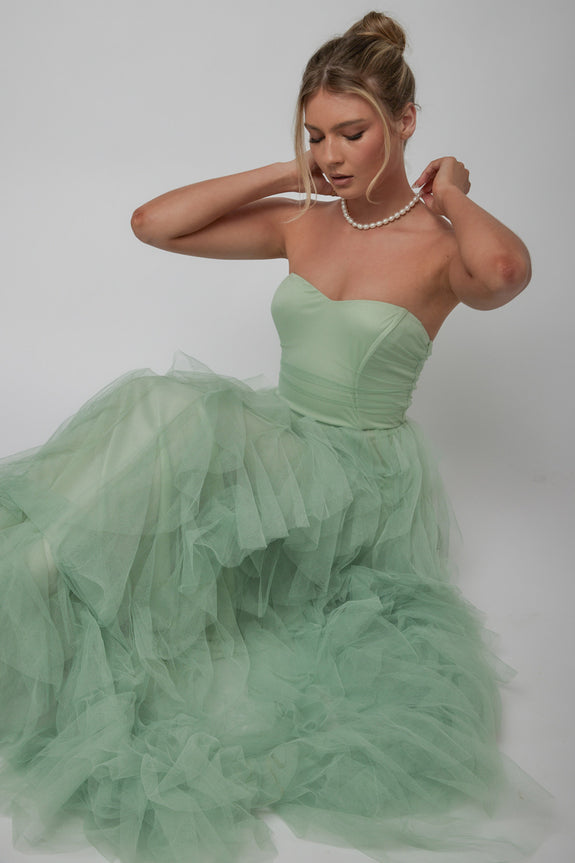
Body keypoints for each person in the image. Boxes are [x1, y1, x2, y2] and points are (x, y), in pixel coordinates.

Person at [0, 11, 551, 863]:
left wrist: (450, 193)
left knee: (180, 414)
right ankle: (46, 578)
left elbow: (506, 272)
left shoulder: (441, 248)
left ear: (404, 121)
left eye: (352, 133)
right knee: (168, 423)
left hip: (354, 476)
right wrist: (291, 172)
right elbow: (153, 223)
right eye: (315, 134)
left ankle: (50, 574)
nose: (332, 154)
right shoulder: (303, 219)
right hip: (274, 446)